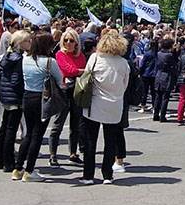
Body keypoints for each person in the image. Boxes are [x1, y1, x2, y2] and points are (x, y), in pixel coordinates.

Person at [79, 30, 131, 183]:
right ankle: (107, 174)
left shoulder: (95, 58)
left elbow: (86, 78)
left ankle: (88, 175)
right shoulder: (123, 63)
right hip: (114, 104)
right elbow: (125, 85)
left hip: (94, 103)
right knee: (111, 141)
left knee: (90, 140)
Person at [13, 32, 57, 182]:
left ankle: (18, 168)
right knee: (37, 136)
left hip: (28, 96)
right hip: (41, 99)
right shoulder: (49, 62)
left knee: (29, 133)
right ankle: (30, 170)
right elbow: (61, 80)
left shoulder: (25, 59)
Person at [48, 29, 86, 165]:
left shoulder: (80, 56)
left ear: (76, 42)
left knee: (75, 124)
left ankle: (73, 153)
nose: (68, 43)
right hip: (63, 92)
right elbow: (68, 70)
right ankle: (53, 154)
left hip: (77, 91)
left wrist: (80, 72)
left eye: (71, 40)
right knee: (58, 124)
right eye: (66, 40)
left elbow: (80, 71)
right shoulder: (59, 54)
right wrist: (81, 72)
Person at [0, 30, 28, 173]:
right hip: (14, 97)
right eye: (28, 41)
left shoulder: (6, 56)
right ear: (20, 43)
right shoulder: (18, 58)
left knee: (4, 127)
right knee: (10, 130)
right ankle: (9, 162)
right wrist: (22, 94)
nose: (30, 43)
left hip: (5, 95)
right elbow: (16, 80)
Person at [150, 38, 179, 123]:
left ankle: (156, 114)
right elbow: (175, 63)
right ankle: (162, 116)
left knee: (158, 96)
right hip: (167, 76)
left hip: (158, 75)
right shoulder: (169, 55)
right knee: (165, 97)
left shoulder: (159, 53)